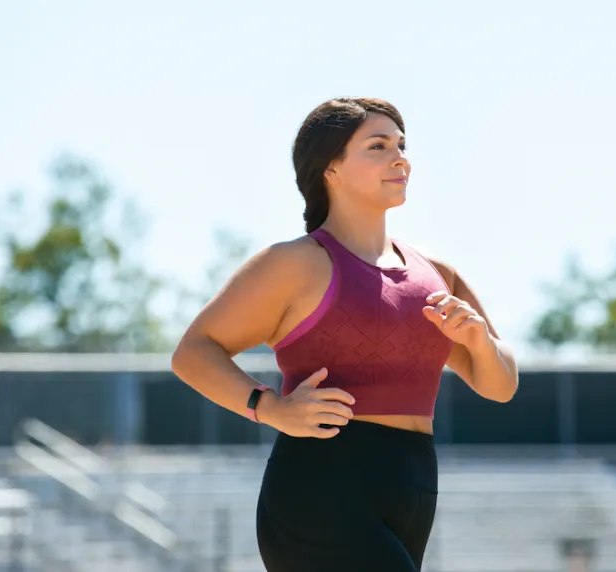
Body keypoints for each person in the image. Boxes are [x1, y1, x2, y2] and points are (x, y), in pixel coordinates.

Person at [170, 97, 519, 572]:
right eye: (377, 146)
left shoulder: (436, 273)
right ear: (329, 168)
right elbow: (193, 353)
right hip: (321, 486)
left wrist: (478, 340)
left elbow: (500, 387)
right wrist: (268, 407)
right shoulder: (295, 263)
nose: (400, 158)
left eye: (401, 145)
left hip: (414, 484)